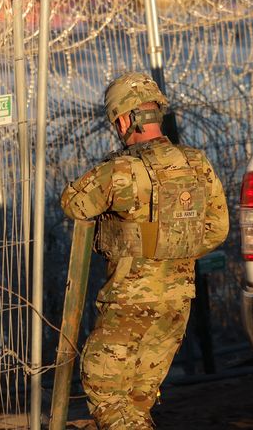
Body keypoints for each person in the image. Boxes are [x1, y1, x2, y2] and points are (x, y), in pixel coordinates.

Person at [60, 72, 230, 430]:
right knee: (137, 402)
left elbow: (73, 203)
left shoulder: (120, 171)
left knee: (105, 392)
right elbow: (217, 229)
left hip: (129, 304)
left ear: (124, 120)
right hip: (176, 304)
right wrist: (174, 248)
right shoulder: (196, 163)